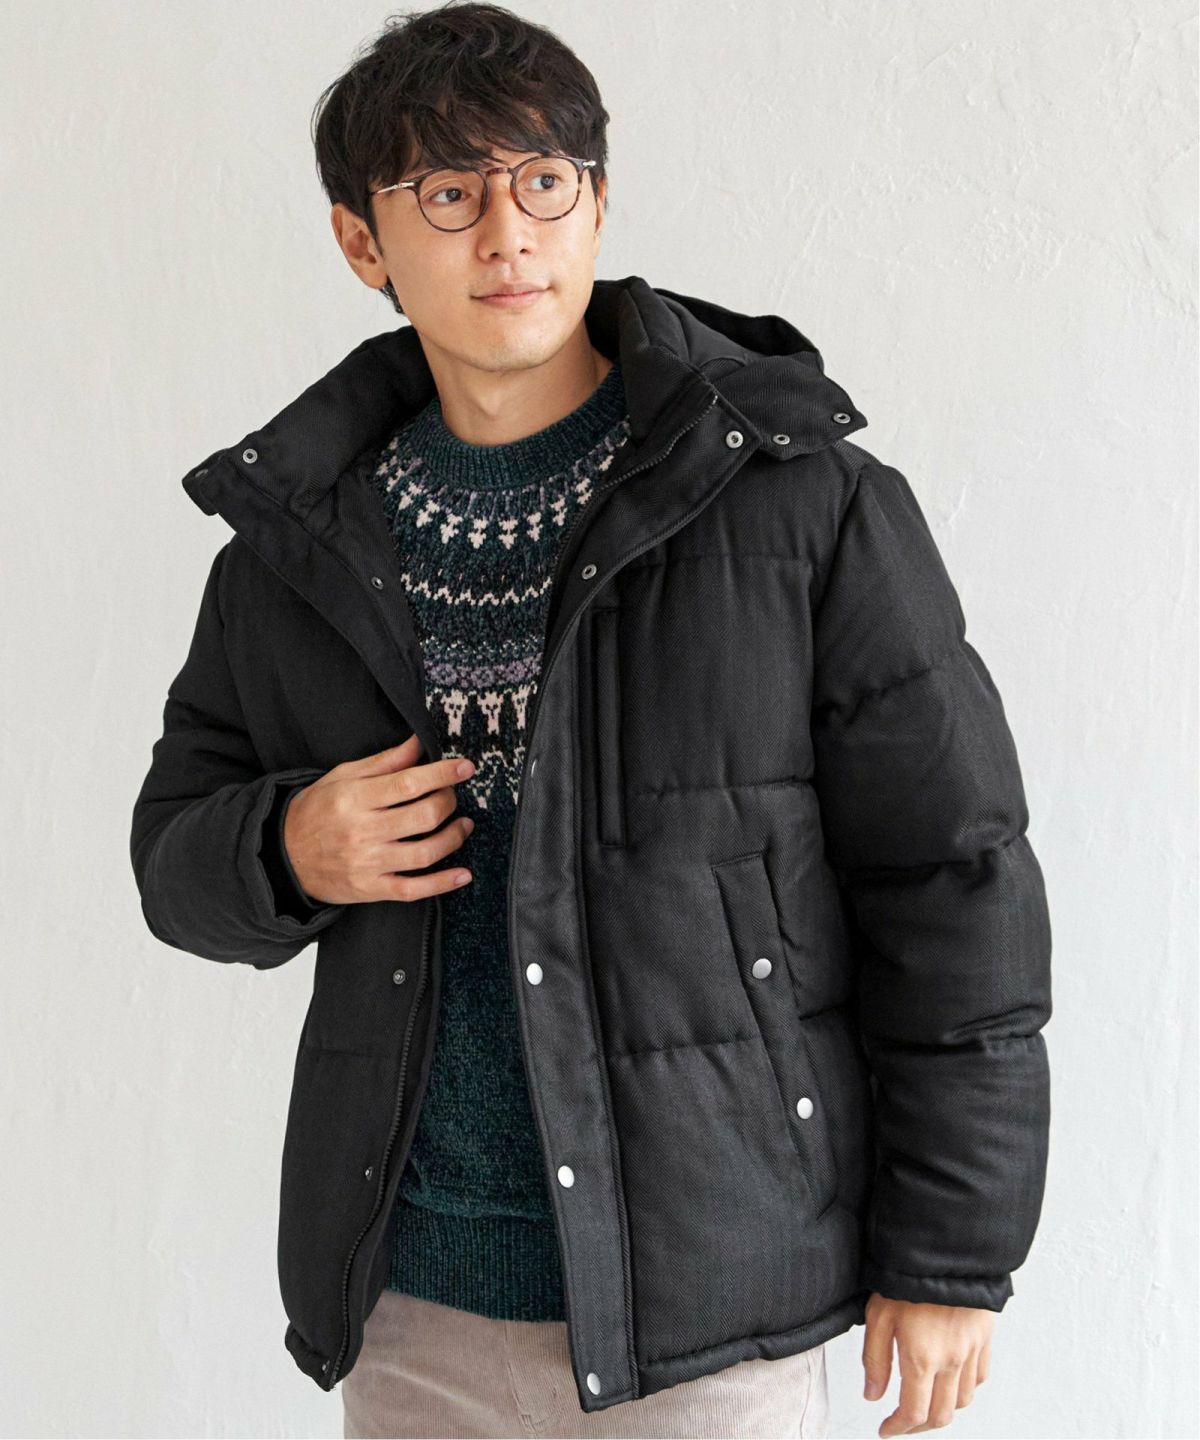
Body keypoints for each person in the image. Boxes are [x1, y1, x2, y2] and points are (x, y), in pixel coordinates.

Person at [130, 4, 1052, 1437]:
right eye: (448, 193)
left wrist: (950, 1258)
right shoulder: (295, 552)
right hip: (410, 1305)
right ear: (363, 243)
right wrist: (290, 846)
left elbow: (954, 880)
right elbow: (172, 856)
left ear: (599, 204)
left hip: (709, 1308)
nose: (508, 233)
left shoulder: (801, 505)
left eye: (544, 181)